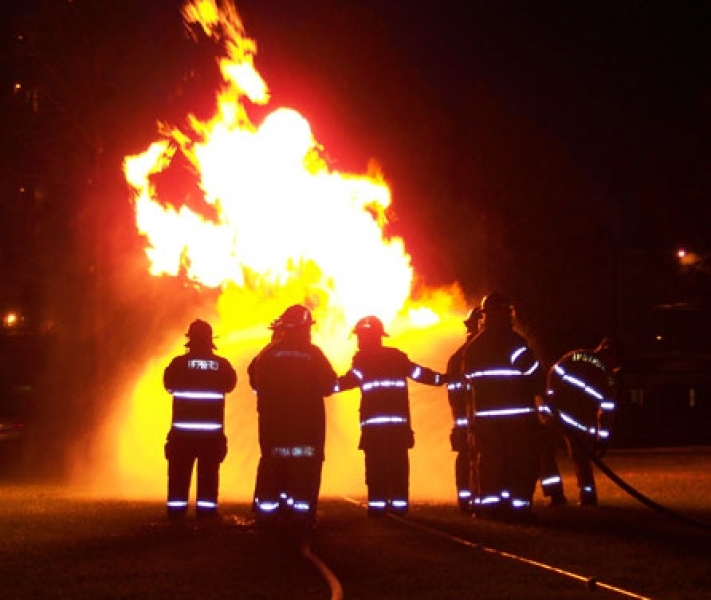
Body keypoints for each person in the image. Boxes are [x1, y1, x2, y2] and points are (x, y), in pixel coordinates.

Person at [336, 316, 445, 516]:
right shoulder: (397, 358)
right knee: (398, 467)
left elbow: (349, 381)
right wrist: (442, 379)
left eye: (360, 337)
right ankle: (399, 507)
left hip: (374, 428)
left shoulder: (362, 361)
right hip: (398, 426)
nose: (359, 342)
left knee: (376, 467)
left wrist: (324, 386)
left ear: (367, 337)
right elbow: (419, 373)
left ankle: (378, 508)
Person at [248, 304, 337, 529]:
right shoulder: (312, 354)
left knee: (272, 471)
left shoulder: (266, 354)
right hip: (306, 433)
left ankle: (267, 517)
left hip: (273, 433)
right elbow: (329, 385)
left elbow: (255, 382)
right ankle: (301, 520)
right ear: (305, 328)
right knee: (305, 475)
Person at [462, 293, 544, 520]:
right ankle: (518, 508)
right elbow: (533, 373)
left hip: (486, 419)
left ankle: (490, 508)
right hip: (518, 419)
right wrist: (541, 392)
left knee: (490, 464)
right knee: (520, 463)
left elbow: (470, 381)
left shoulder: (474, 348)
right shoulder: (514, 342)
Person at [163, 319, 237, 522]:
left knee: (178, 476)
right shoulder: (222, 365)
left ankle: (176, 514)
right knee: (209, 476)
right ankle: (206, 514)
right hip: (211, 435)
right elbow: (230, 386)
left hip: (181, 435)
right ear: (210, 341)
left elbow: (168, 385)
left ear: (190, 340)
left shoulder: (178, 364)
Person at [545, 337, 621, 506]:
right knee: (581, 459)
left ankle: (555, 495)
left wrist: (551, 399)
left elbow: (553, 374)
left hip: (558, 414)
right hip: (579, 422)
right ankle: (587, 496)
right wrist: (602, 438)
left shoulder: (577, 356)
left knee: (546, 453)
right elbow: (607, 410)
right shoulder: (608, 376)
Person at [445, 307, 482, 513]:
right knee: (470, 460)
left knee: (473, 460)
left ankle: (471, 501)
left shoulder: (458, 356)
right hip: (471, 420)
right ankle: (468, 501)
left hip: (470, 420)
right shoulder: (463, 357)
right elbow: (455, 393)